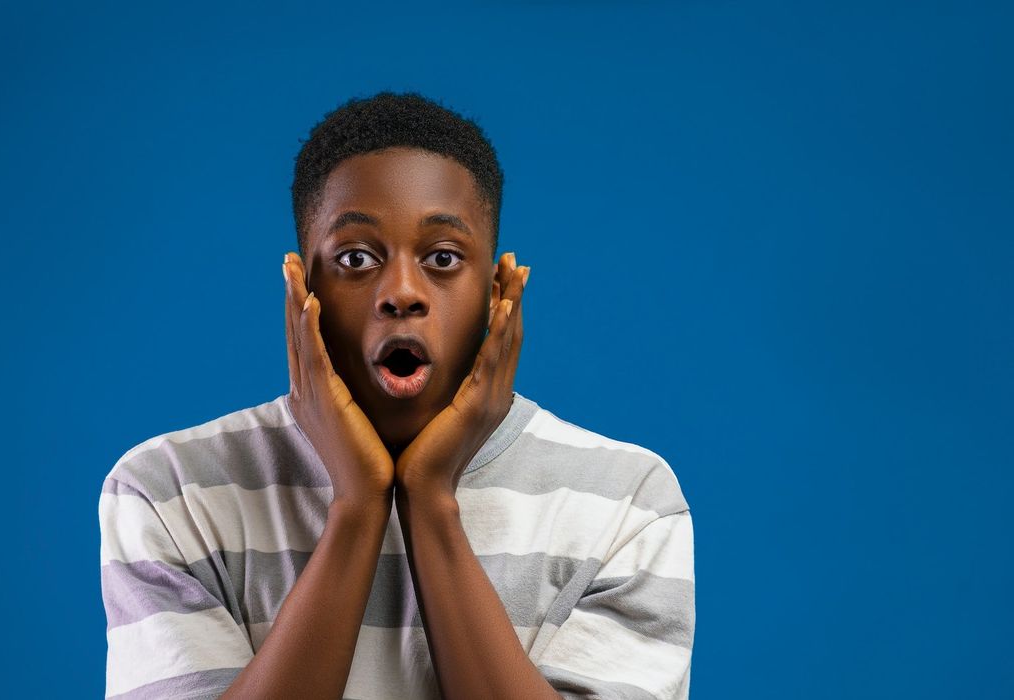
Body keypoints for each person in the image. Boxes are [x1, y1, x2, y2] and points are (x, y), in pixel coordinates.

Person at [99, 91, 694, 699]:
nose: (402, 292)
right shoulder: (170, 490)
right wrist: (357, 508)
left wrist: (430, 502)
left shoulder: (630, 501)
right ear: (302, 287)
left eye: (442, 257)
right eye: (356, 258)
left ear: (497, 296)